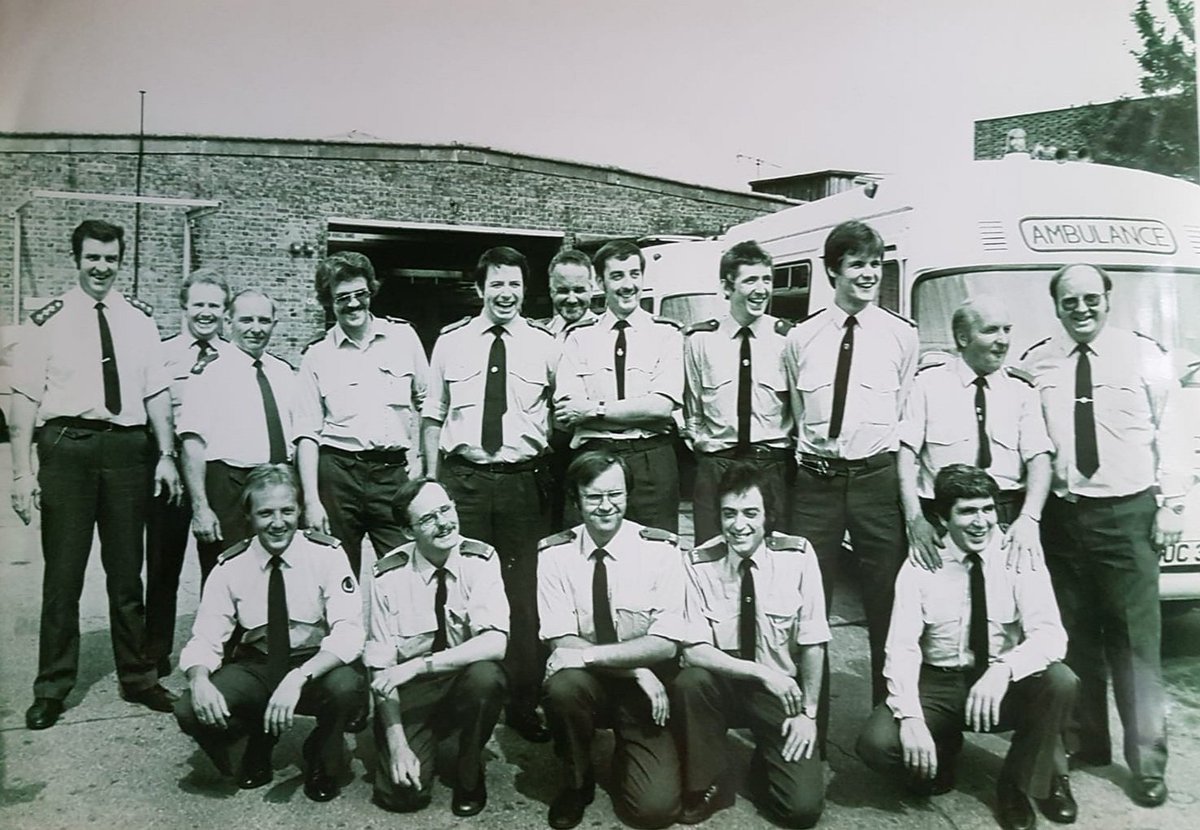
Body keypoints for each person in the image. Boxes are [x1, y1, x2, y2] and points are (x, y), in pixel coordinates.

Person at [1019, 263, 1188, 807]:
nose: (1082, 309)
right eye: (1070, 302)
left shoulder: (1144, 354)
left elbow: (1174, 430)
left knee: (1136, 645)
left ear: (1108, 299)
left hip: (1128, 513)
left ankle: (1148, 763)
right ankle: (1087, 743)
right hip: (1066, 519)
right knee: (1074, 639)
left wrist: (1172, 504)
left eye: (1091, 298)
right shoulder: (1039, 360)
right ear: (1057, 308)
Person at [10, 219, 182, 730]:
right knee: (63, 576)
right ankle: (52, 686)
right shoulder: (48, 320)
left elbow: (156, 394)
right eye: (92, 258)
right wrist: (22, 473)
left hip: (129, 450)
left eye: (110, 258)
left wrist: (167, 455)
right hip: (68, 448)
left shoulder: (139, 320)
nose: (101, 267)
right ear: (77, 259)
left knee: (127, 574)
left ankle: (139, 675)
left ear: (120, 260)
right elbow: (23, 399)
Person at [856, 465, 1079, 830]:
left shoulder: (1018, 554)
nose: (981, 522)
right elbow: (902, 648)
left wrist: (1004, 669)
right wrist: (911, 718)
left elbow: (1051, 635)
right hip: (941, 683)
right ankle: (942, 747)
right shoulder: (921, 564)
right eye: (967, 511)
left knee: (1061, 681)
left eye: (987, 509)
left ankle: (1016, 785)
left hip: (1000, 680)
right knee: (879, 744)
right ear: (942, 516)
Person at [782, 219, 917, 737]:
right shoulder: (802, 337)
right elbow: (797, 414)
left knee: (888, 600)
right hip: (816, 483)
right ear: (833, 269)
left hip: (876, 482)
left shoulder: (901, 337)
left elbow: (902, 413)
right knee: (807, 599)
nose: (868, 275)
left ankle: (891, 720)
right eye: (857, 264)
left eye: (875, 265)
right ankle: (805, 723)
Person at [421, 246, 556, 743]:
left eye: (515, 285)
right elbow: (433, 416)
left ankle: (522, 701)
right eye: (497, 284)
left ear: (526, 290)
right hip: (466, 482)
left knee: (524, 598)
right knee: (459, 589)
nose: (506, 294)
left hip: (522, 483)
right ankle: (457, 698)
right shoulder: (451, 343)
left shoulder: (545, 344)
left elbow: (561, 415)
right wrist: (430, 481)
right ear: (480, 289)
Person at [173, 464, 366, 802]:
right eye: (265, 513)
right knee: (190, 708)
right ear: (249, 515)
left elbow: (349, 631)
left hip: (312, 662)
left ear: (300, 511)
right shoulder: (229, 566)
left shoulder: (328, 554)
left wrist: (299, 677)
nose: (278, 522)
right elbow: (205, 637)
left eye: (287, 511)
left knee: (347, 686)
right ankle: (254, 740)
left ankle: (321, 750)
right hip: (257, 664)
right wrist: (199, 679)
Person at [537, 450, 687, 830]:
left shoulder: (660, 550)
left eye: (615, 495)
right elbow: (561, 640)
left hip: (642, 695)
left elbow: (667, 643)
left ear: (627, 495)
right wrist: (635, 668)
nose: (606, 506)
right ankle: (577, 779)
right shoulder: (555, 554)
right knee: (562, 686)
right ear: (576, 501)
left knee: (654, 812)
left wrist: (634, 668)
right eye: (593, 497)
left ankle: (629, 754)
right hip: (594, 681)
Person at [672, 465, 826, 828]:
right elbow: (693, 649)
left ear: (767, 517)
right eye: (729, 514)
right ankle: (708, 781)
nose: (739, 525)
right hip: (722, 684)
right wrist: (760, 672)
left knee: (801, 810)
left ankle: (765, 764)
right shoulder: (697, 564)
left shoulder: (798, 557)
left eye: (750, 513)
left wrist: (810, 715)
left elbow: (814, 640)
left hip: (779, 693)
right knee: (689, 681)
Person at [365, 478, 509, 817]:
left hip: (461, 680)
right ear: (406, 532)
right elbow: (380, 667)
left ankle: (469, 768)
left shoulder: (481, 559)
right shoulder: (387, 576)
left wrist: (419, 663)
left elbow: (495, 642)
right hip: (414, 693)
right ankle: (414, 742)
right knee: (402, 797)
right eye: (428, 518)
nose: (444, 522)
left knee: (487, 676)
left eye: (446, 509)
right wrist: (398, 744)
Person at [295, 251, 428, 580]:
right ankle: (345, 633)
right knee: (337, 573)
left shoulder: (403, 337)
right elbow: (307, 434)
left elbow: (428, 402)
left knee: (404, 570)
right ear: (329, 301)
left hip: (393, 475)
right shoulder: (317, 355)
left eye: (360, 295)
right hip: (338, 476)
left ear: (371, 291)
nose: (353, 305)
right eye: (342, 298)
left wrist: (423, 457)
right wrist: (312, 500)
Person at [899, 297, 1052, 572]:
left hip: (1005, 514)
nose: (1003, 340)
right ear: (962, 338)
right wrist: (915, 519)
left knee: (1006, 601)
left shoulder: (1022, 390)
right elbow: (907, 457)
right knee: (941, 603)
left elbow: (1039, 458)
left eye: (1007, 330)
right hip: (942, 517)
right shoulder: (927, 385)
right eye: (991, 330)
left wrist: (1030, 518)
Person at [555, 240, 684, 533]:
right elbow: (567, 410)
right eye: (617, 276)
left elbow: (662, 407)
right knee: (590, 549)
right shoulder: (578, 338)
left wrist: (593, 410)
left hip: (651, 461)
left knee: (655, 550)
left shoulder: (666, 334)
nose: (628, 285)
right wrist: (640, 411)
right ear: (600, 282)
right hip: (594, 458)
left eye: (634, 275)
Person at [178, 288, 300, 583]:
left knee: (279, 577)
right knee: (228, 579)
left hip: (277, 486)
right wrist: (201, 508)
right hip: (229, 488)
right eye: (246, 320)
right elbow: (192, 443)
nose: (256, 329)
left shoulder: (284, 372)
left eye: (263, 320)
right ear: (229, 321)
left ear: (274, 323)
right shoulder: (209, 371)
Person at [145, 268, 232, 678]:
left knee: (217, 568)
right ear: (184, 307)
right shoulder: (163, 354)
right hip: (169, 472)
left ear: (224, 311)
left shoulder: (231, 358)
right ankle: (155, 650)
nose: (205, 313)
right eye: (198, 304)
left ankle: (214, 647)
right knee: (163, 565)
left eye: (214, 306)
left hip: (212, 473)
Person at [684, 240, 794, 545]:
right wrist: (704, 448)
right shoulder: (700, 340)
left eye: (767, 280)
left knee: (773, 556)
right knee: (711, 553)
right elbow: (692, 408)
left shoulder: (787, 339)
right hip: (717, 465)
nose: (761, 289)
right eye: (750, 280)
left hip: (770, 464)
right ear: (727, 287)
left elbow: (797, 411)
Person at [540, 248, 598, 529]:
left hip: (591, 447)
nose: (571, 298)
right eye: (562, 290)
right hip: (546, 453)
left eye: (579, 289)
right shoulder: (537, 336)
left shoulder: (607, 335)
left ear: (593, 287)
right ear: (551, 290)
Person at [541, 248, 598, 339]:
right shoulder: (543, 334)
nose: (572, 300)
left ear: (591, 290)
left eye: (579, 291)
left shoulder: (604, 334)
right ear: (551, 292)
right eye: (563, 291)